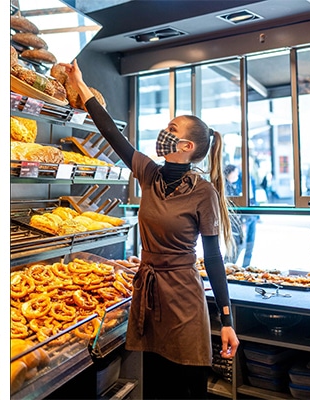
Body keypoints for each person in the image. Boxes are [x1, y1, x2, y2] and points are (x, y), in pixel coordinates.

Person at [65, 61, 239, 399]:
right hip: (149, 291)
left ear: (187, 146)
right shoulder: (150, 174)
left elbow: (214, 257)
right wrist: (79, 82)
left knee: (187, 386)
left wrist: (228, 319)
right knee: (157, 386)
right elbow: (111, 134)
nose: (165, 133)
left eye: (172, 128)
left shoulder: (204, 191)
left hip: (185, 297)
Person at [224, 164, 258, 267]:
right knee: (238, 244)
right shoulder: (227, 185)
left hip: (249, 216)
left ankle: (245, 267)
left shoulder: (243, 181)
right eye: (235, 172)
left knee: (249, 243)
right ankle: (228, 265)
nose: (237, 174)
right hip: (238, 219)